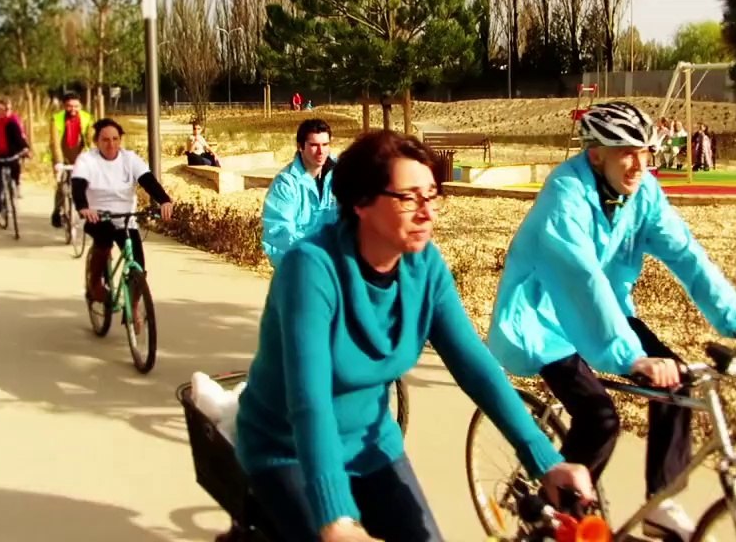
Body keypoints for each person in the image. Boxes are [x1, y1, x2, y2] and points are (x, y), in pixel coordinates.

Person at [236, 130, 594, 542]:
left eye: (432, 195)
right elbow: (309, 399)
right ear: (361, 203)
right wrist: (336, 518)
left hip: (371, 444)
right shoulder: (312, 268)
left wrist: (545, 459)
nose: (427, 212)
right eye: (408, 198)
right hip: (288, 448)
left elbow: (476, 367)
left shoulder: (425, 266)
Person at [487, 101, 736, 541]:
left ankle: (661, 504)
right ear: (595, 155)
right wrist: (629, 357)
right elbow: (580, 276)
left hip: (606, 314)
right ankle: (556, 513)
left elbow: (686, 255)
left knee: (677, 384)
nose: (639, 163)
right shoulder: (565, 194)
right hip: (542, 319)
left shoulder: (643, 195)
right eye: (626, 151)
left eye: (646, 151)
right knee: (600, 417)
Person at [72, 119, 173, 304]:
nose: (111, 144)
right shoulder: (87, 160)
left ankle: (134, 307)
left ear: (120, 140)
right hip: (97, 216)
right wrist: (83, 207)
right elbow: (78, 186)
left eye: (115, 139)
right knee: (103, 242)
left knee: (139, 266)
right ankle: (94, 284)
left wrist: (164, 200)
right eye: (105, 140)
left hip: (126, 219)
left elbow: (147, 180)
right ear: (97, 141)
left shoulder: (130, 159)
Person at [261, 118, 338, 268]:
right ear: (300, 146)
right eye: (314, 145)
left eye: (325, 144)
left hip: (335, 266)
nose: (321, 151)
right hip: (299, 267)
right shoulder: (285, 184)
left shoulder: (341, 174)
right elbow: (278, 231)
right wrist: (315, 253)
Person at [49, 93, 93, 228]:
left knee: (83, 184)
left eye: (76, 106)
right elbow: (55, 142)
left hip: (80, 156)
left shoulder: (87, 118)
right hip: (62, 156)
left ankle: (82, 208)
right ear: (64, 106)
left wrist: (89, 157)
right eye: (69, 106)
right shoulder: (56, 119)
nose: (73, 109)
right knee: (62, 185)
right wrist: (58, 162)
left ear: (80, 106)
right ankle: (58, 211)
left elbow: (90, 139)